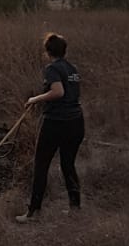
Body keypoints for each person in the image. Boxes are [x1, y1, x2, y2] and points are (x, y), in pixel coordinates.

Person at [16, 31, 84, 222]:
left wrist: (34, 99)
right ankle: (75, 208)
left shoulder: (52, 69)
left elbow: (58, 92)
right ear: (64, 51)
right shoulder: (72, 69)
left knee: (41, 165)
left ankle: (33, 212)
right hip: (76, 122)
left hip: (56, 123)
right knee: (68, 164)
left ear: (48, 52)